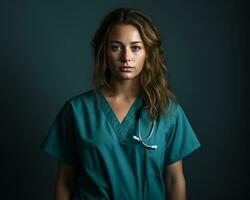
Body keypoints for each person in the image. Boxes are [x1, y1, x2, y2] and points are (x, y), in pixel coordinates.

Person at [40, 8, 201, 200]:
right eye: (116, 47)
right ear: (104, 51)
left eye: (135, 47)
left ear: (148, 52)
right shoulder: (77, 111)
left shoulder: (167, 111)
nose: (126, 57)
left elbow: (174, 180)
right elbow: (65, 181)